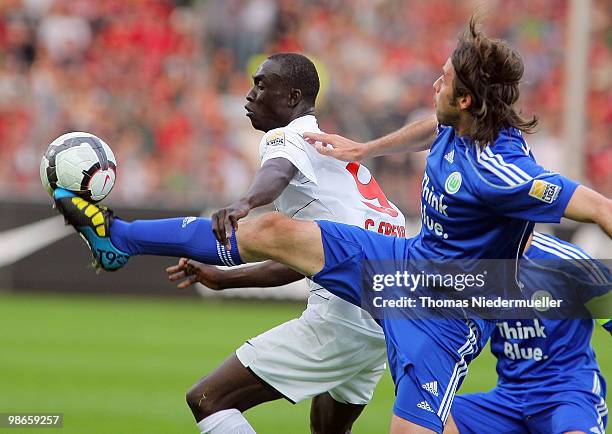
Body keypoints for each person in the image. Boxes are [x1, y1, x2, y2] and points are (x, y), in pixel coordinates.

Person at [52, 17, 612, 433]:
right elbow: (428, 128)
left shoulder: (501, 170)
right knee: (274, 232)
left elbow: (600, 209)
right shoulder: (460, 123)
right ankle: (118, 239)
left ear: (466, 99)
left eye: (442, 83)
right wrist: (367, 147)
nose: (432, 88)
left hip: (448, 310)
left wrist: (249, 202)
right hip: (405, 263)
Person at [167, 52, 406, 434]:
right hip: (385, 320)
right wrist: (223, 278)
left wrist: (245, 202)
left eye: (261, 85)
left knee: (208, 400)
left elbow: (277, 171)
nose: (249, 95)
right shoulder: (337, 156)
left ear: (293, 97)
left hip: (342, 318)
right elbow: (304, 260)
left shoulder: (290, 136)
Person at [444, 232, 610, 434]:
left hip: (567, 393)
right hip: (509, 396)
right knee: (433, 420)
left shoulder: (567, 262)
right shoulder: (478, 266)